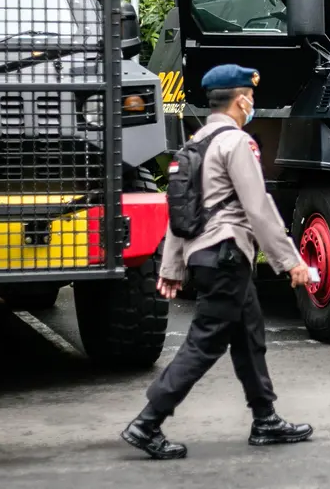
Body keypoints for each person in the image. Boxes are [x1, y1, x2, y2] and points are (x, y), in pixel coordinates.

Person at [121, 63, 314, 460]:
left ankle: (265, 418)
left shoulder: (193, 146)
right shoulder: (236, 144)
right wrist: (290, 259)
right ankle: (148, 421)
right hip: (227, 254)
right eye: (252, 98)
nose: (252, 105)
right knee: (204, 342)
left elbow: (180, 212)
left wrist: (173, 267)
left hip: (210, 257)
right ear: (241, 99)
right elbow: (258, 206)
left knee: (249, 336)